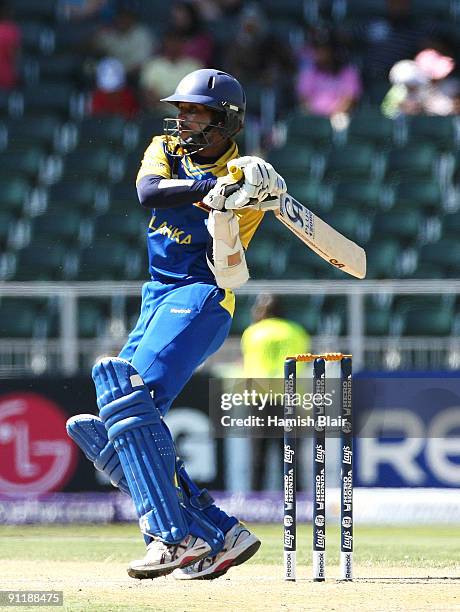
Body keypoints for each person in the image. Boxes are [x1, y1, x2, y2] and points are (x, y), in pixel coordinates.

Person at [66, 68, 286, 581]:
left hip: (203, 295)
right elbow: (149, 193)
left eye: (194, 111)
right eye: (180, 109)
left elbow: (229, 265)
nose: (182, 118)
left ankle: (171, 536)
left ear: (224, 121)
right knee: (120, 413)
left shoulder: (246, 178)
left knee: (125, 393)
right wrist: (205, 187)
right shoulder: (164, 148)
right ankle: (218, 533)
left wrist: (232, 205)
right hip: (156, 295)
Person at [241, 294, 310, 490]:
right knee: (290, 453)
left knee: (258, 454)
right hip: (289, 397)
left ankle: (255, 500)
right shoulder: (296, 331)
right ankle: (295, 500)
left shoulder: (252, 332)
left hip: (260, 398)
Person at [295, 30, 362, 118]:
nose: (319, 54)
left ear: (333, 51)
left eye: (323, 50)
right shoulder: (309, 72)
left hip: (339, 119)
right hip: (313, 118)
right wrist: (317, 118)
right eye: (317, 49)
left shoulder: (348, 72)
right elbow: (303, 100)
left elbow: (349, 101)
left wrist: (331, 117)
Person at [0, 1, 21, 90]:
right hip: (7, 80)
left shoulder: (11, 30)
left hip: (7, 80)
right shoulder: (11, 31)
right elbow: (16, 57)